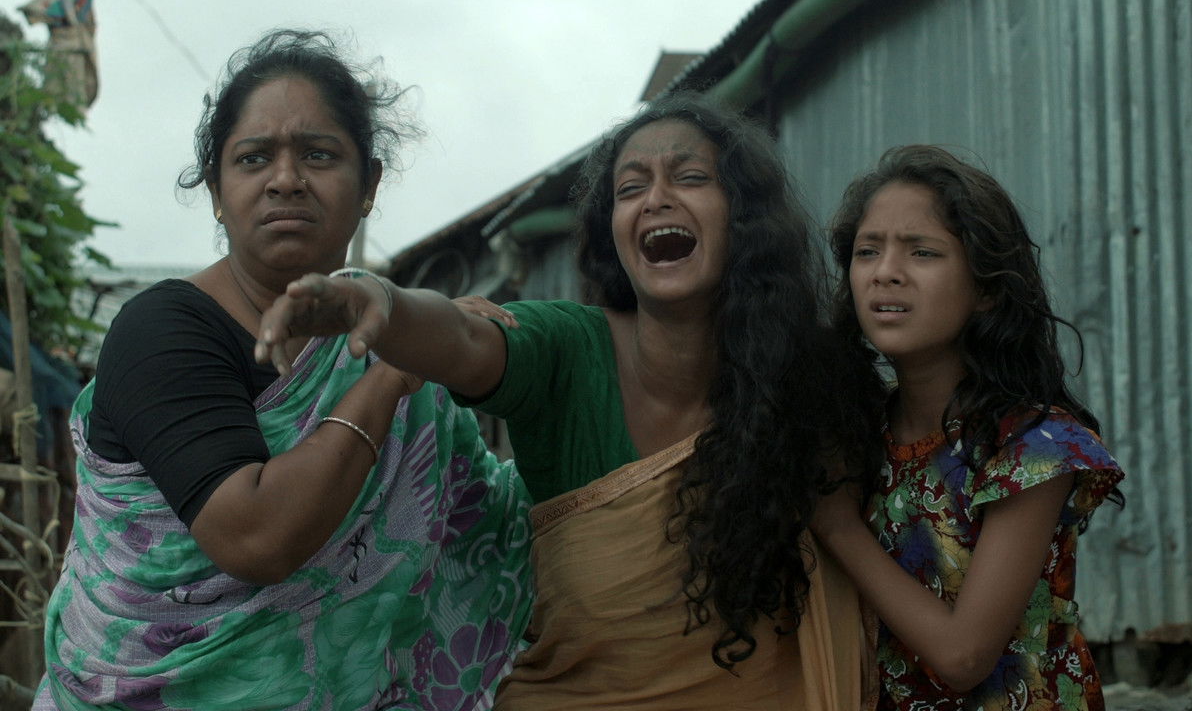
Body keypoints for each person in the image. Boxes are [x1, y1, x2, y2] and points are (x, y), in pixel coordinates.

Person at [256, 93, 886, 709]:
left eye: (690, 177)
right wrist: (382, 302)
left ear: (743, 216)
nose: (656, 199)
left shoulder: (815, 385)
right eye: (631, 188)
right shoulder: (567, 348)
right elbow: (464, 337)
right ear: (612, 232)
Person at [34, 30, 532, 710]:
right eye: (254, 157)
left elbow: (488, 529)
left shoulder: (398, 330)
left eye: (319, 155)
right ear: (217, 190)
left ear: (368, 185)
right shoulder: (162, 331)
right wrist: (392, 373)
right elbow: (255, 536)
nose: (287, 179)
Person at [812, 145, 1125, 709]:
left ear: (986, 289)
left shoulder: (1034, 446)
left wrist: (838, 528)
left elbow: (964, 657)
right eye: (867, 251)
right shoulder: (856, 433)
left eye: (922, 252)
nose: (885, 272)